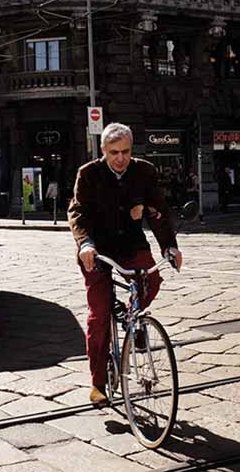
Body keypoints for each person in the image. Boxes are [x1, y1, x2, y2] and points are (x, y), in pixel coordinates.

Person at [68, 122, 182, 405]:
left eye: (126, 152)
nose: (121, 158)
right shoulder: (89, 174)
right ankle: (98, 383)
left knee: (153, 279)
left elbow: (159, 211)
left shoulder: (144, 171)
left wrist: (170, 246)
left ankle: (133, 320)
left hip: (132, 245)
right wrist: (85, 244)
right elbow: (77, 212)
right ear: (103, 150)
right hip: (97, 250)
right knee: (98, 316)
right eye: (114, 152)